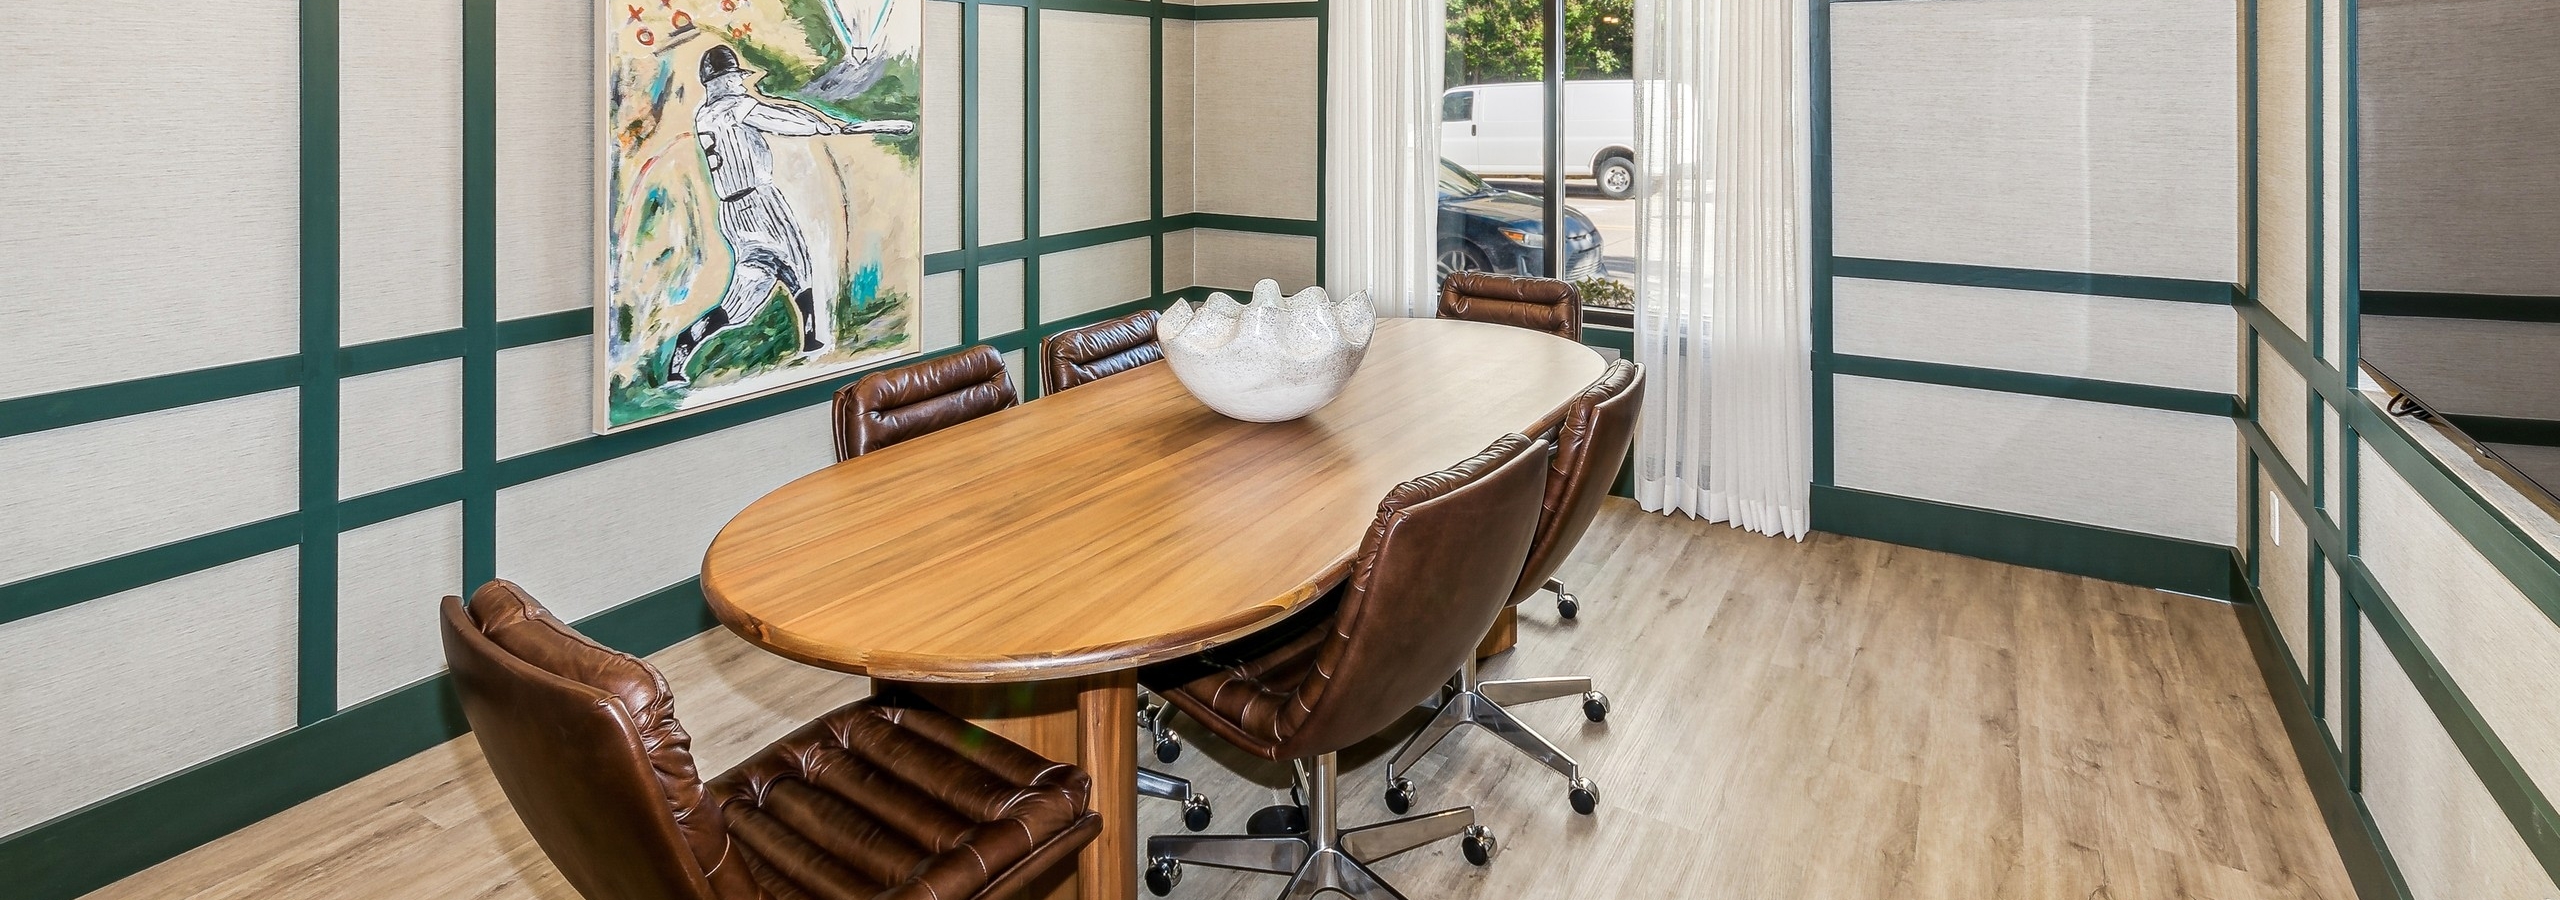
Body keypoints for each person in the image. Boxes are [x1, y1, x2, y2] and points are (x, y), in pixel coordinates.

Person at [663, 44, 914, 388]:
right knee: (798, 266)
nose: (739, 82)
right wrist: (833, 127)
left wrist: (828, 124)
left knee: (743, 302)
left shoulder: (704, 114)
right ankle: (813, 339)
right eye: (733, 77)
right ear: (719, 81)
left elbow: (775, 114)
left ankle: (685, 346)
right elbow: (785, 119)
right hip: (760, 201)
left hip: (733, 212)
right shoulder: (733, 107)